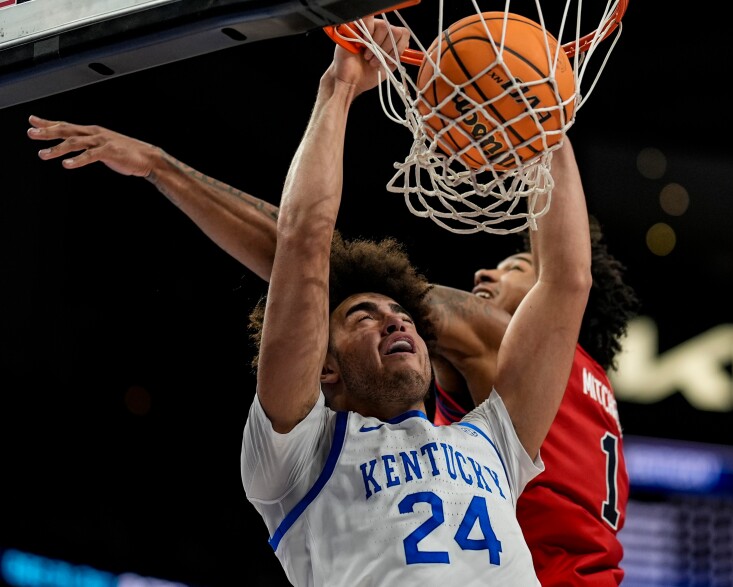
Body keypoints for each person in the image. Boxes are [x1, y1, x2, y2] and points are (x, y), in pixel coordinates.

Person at [27, 35, 637, 587]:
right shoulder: (302, 450)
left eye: (511, 271)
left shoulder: (492, 423)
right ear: (325, 370)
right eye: (364, 317)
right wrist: (341, 87)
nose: (399, 319)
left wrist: (544, 120)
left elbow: (563, 281)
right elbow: (305, 245)